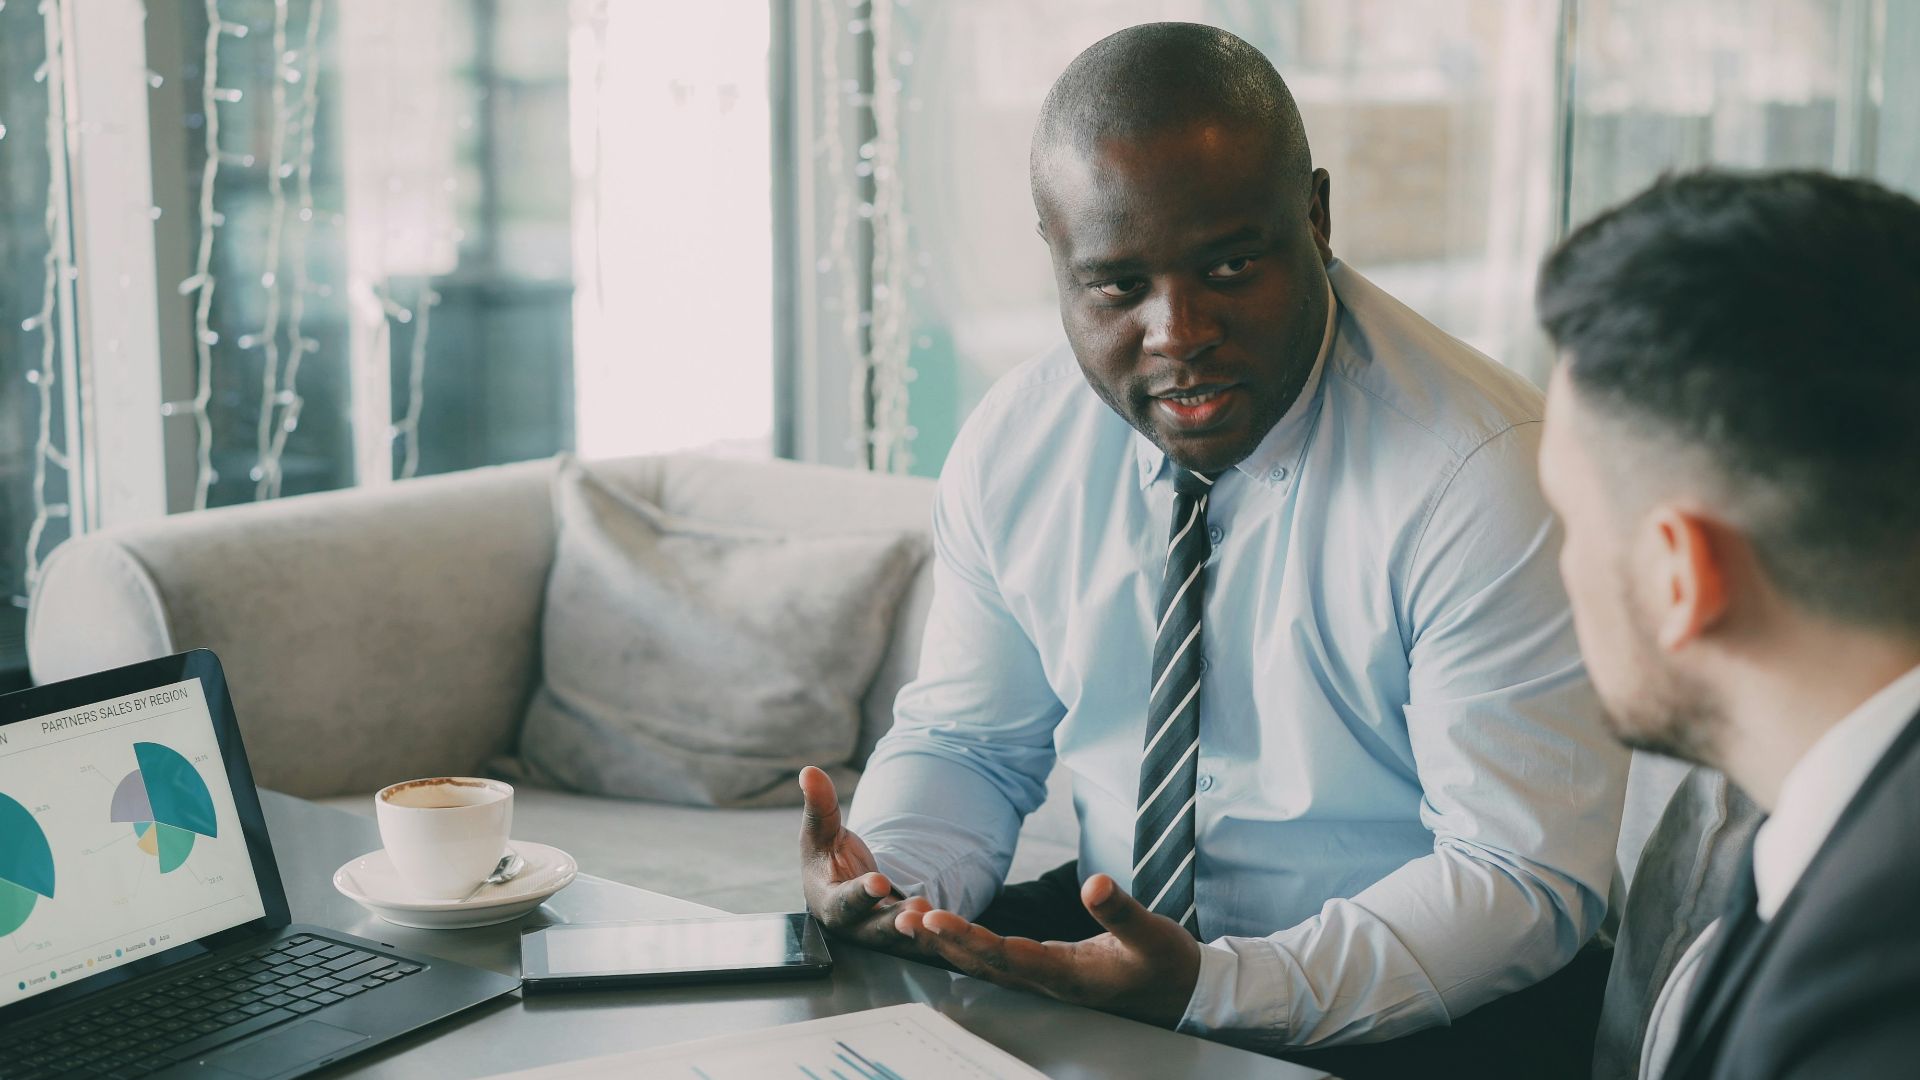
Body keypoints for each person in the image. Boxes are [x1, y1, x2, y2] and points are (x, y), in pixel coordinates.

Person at [799, 22, 1628, 1075]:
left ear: (1318, 218)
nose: (1178, 331)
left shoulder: (1482, 474)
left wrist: (1218, 989)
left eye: (1231, 265)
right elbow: (971, 743)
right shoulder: (1016, 446)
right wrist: (893, 880)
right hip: (1139, 939)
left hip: (1439, 998)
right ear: (1057, 258)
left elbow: (1517, 876)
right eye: (1117, 285)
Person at [1534, 169, 1920, 1080]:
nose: (1564, 567)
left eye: (1572, 522)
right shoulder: (1832, 840)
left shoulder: (1870, 1013)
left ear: (1681, 577)